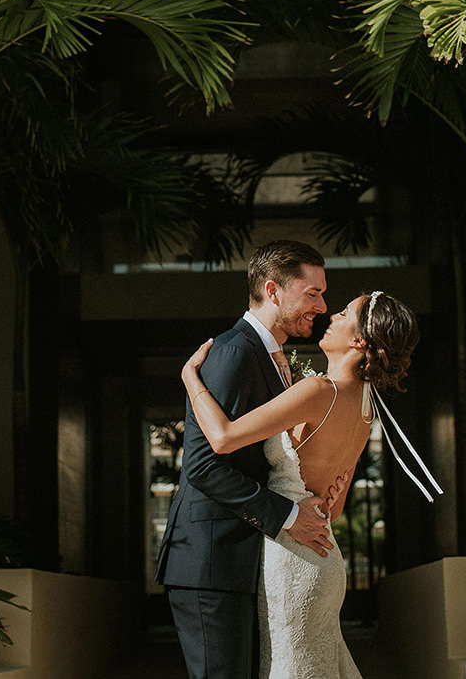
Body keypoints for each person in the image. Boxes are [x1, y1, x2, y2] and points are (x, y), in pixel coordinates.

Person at [182, 289, 424, 679]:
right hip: (324, 554)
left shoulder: (316, 392)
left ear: (360, 341)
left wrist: (191, 378)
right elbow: (333, 507)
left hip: (292, 555)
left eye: (344, 313)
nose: (332, 315)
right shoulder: (365, 408)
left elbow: (224, 437)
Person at [154, 240, 338, 679]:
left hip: (244, 560)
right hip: (211, 563)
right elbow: (202, 466)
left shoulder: (273, 357)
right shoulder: (235, 352)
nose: (323, 305)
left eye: (322, 293)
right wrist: (288, 515)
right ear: (273, 291)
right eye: (311, 293)